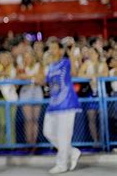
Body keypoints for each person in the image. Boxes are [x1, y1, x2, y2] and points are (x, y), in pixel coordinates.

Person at [43, 39, 81, 174]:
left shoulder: (66, 62)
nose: (51, 51)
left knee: (63, 135)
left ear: (60, 50)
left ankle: (62, 164)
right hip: (53, 104)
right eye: (50, 48)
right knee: (47, 132)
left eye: (54, 48)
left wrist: (71, 54)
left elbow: (75, 73)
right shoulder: (51, 66)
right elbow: (46, 82)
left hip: (67, 104)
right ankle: (72, 151)